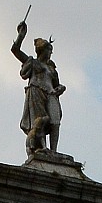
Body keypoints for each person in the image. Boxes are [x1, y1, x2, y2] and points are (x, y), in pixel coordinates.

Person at [12, 19, 65, 156]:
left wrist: (61, 88)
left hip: (51, 94)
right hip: (36, 91)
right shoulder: (33, 62)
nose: (50, 53)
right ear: (43, 50)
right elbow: (15, 50)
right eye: (49, 50)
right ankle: (42, 147)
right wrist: (21, 35)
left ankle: (54, 151)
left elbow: (57, 83)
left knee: (55, 121)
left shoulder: (51, 67)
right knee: (40, 120)